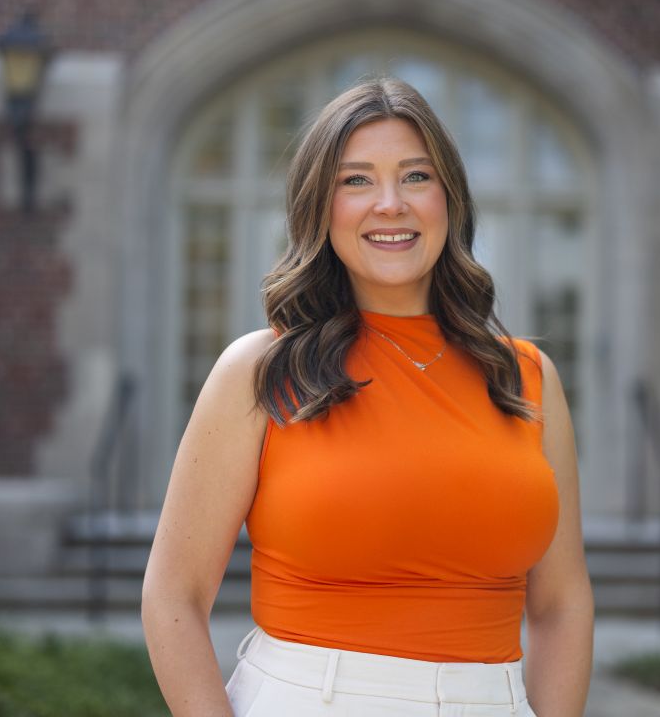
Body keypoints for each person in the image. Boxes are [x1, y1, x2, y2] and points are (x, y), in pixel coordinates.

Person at [142, 77, 595, 716]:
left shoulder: (525, 378)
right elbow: (174, 595)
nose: (390, 204)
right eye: (356, 180)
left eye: (416, 177)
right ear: (320, 208)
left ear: (449, 199)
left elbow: (563, 605)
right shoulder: (261, 371)